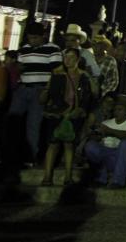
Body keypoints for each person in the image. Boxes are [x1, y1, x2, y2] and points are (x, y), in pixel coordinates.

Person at [9, 21, 62, 164]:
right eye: (30, 38)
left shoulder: (53, 49)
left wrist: (47, 91)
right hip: (23, 88)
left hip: (39, 90)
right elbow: (20, 68)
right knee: (12, 121)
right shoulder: (24, 49)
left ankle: (30, 157)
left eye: (35, 38)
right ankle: (11, 154)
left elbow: (56, 73)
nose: (32, 41)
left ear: (43, 36)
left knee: (33, 125)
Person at [40, 47, 94, 186]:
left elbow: (87, 96)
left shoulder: (83, 76)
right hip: (57, 113)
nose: (67, 60)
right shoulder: (57, 74)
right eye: (66, 57)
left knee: (69, 145)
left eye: (71, 57)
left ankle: (68, 176)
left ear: (77, 59)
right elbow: (50, 93)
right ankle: (47, 176)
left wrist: (81, 109)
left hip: (73, 114)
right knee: (53, 144)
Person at [84, 98, 126, 188]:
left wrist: (109, 131)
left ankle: (118, 181)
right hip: (109, 158)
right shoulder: (107, 123)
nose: (116, 112)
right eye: (115, 110)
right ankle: (100, 179)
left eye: (120, 110)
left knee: (125, 144)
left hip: (125, 159)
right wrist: (93, 132)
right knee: (90, 146)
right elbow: (96, 138)